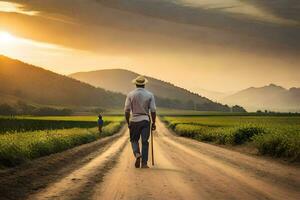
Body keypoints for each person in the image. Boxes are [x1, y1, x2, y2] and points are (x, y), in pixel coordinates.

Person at [124, 75, 156, 169]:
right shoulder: (150, 95)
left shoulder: (130, 94)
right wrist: (153, 122)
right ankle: (144, 163)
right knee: (145, 141)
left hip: (134, 120)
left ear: (136, 84)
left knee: (134, 140)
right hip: (145, 120)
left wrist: (128, 122)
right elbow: (153, 110)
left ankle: (137, 154)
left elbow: (126, 110)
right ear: (144, 84)